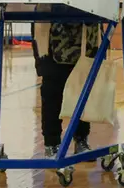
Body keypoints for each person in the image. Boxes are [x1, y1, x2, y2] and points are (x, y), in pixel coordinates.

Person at [36, 21, 100, 158]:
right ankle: (51, 144)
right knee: (52, 93)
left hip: (84, 38)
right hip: (54, 40)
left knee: (83, 92)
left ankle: (81, 140)